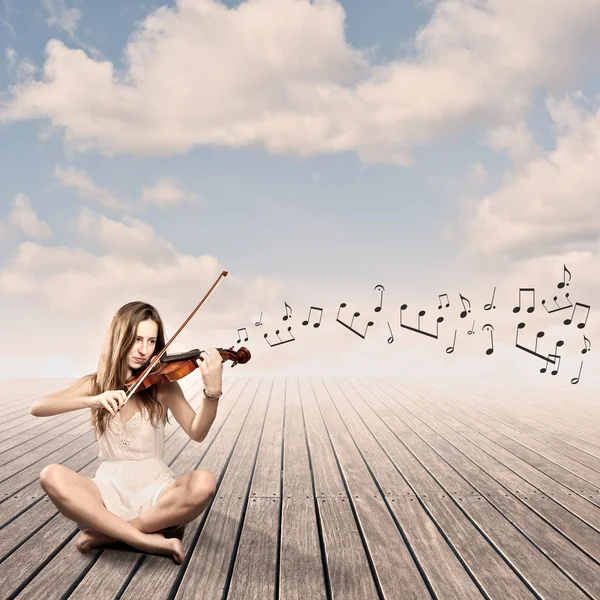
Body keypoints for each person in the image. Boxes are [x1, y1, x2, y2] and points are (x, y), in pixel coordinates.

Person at [31, 301, 224, 564]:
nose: (144, 350)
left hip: (155, 488)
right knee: (50, 475)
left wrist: (211, 394)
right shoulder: (96, 384)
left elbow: (197, 431)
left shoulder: (163, 386)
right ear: (120, 338)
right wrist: (94, 400)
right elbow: (39, 407)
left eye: (152, 341)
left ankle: (108, 534)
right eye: (136, 340)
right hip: (106, 487)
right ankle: (144, 539)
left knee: (204, 483)